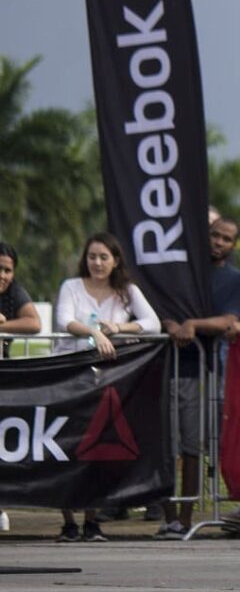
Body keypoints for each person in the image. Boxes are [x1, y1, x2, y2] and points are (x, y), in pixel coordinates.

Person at [54, 232, 161, 542]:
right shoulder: (72, 287)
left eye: (103, 257)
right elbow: (64, 321)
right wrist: (93, 334)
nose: (97, 263)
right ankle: (68, 522)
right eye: (92, 256)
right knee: (66, 446)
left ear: (115, 261)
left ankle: (91, 520)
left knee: (95, 449)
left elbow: (152, 322)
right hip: (70, 375)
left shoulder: (126, 290)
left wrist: (118, 327)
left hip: (107, 379)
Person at [158, 217, 240, 539]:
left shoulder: (233, 279)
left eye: (226, 238)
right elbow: (161, 307)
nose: (219, 242)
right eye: (215, 235)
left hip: (202, 371)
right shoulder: (180, 271)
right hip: (165, 367)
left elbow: (227, 320)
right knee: (165, 446)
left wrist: (193, 325)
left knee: (193, 447)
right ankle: (166, 517)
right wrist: (170, 325)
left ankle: (184, 517)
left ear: (233, 245)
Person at [0, 241, 42, 358]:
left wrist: (1, 327)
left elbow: (35, 324)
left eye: (7, 271)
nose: (2, 276)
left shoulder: (15, 291)